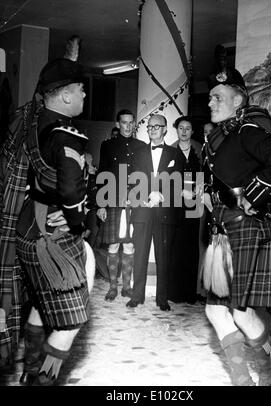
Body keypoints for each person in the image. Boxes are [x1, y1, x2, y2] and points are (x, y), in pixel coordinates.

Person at [202, 67, 271, 386]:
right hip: (224, 233)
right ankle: (257, 375)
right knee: (230, 312)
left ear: (239, 99)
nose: (211, 103)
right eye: (210, 97)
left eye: (218, 97)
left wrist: (252, 197)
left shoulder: (248, 130)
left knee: (229, 311)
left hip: (244, 231)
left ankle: (253, 377)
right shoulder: (223, 136)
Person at [6, 58, 95, 386]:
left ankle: (29, 369)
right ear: (67, 97)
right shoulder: (66, 134)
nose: (85, 96)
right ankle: (41, 381)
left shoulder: (33, 120)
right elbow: (71, 191)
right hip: (52, 237)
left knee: (41, 303)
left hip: (26, 228)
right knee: (70, 322)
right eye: (81, 90)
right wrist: (78, 219)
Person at [126, 114, 179, 311]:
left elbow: (178, 179)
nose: (153, 129)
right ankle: (136, 296)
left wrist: (161, 194)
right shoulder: (137, 152)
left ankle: (162, 299)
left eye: (158, 126)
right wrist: (149, 193)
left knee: (163, 256)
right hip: (142, 208)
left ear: (165, 129)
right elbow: (133, 178)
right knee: (139, 254)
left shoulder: (175, 154)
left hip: (165, 211)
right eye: (150, 127)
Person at [97, 109, 144, 301]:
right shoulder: (107, 146)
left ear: (134, 124)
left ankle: (126, 287)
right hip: (113, 202)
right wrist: (100, 204)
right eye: (124, 122)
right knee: (114, 245)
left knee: (130, 245)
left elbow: (145, 176)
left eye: (131, 122)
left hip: (134, 202)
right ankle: (112, 287)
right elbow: (102, 174)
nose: (128, 126)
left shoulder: (142, 146)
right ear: (118, 124)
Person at [168, 116, 202, 304]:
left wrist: (200, 188)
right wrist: (180, 192)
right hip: (176, 203)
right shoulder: (170, 150)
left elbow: (205, 174)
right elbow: (164, 178)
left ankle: (190, 293)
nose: (184, 131)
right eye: (181, 128)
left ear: (192, 131)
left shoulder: (200, 150)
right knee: (176, 245)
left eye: (188, 128)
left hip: (194, 203)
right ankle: (174, 292)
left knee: (191, 245)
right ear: (176, 129)